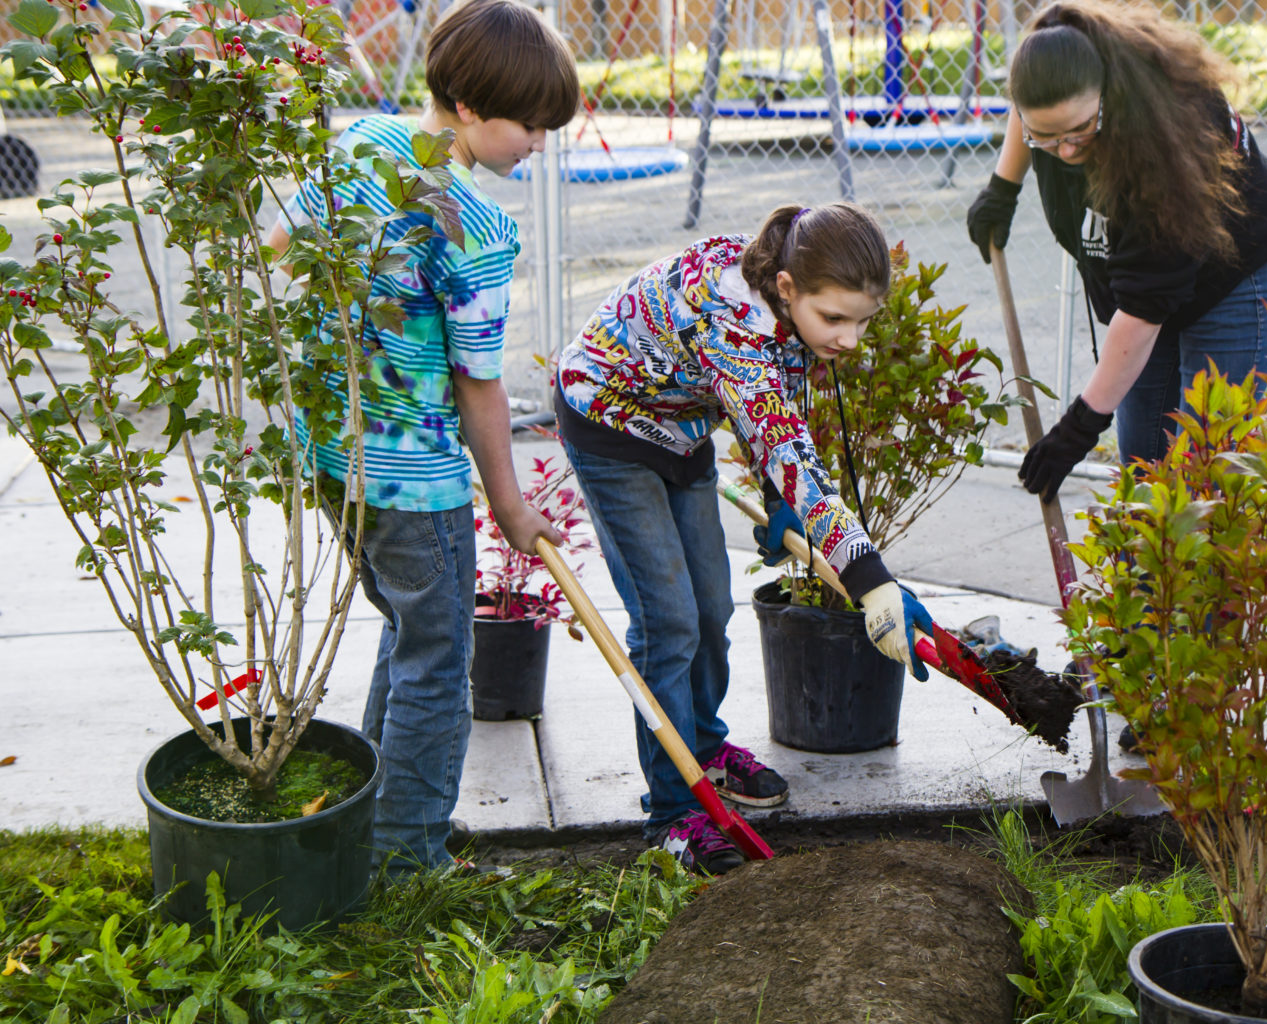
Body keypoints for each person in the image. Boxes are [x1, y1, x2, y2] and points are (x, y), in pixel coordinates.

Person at [268, 0, 581, 875]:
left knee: (411, 635)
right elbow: (480, 389)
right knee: (440, 663)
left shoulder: (359, 144)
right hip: (417, 483)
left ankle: (367, 821)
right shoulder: (477, 229)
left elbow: (282, 251)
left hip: (331, 456)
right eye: (531, 125)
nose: (539, 145)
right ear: (474, 109)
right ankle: (406, 859)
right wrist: (512, 506)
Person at [554, 202, 936, 874]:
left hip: (680, 425)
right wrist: (872, 582)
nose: (849, 338)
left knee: (711, 608)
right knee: (668, 622)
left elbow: (783, 390)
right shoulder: (728, 317)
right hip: (611, 422)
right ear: (788, 289)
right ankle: (673, 814)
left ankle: (703, 748)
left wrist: (775, 494)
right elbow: (779, 431)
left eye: (862, 320)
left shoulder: (788, 287)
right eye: (837, 319)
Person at [966, 0, 1267, 499]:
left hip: (1237, 273)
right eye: (1047, 137)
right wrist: (1003, 187)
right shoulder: (1056, 64)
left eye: (1079, 130)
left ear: (1106, 95)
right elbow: (1029, 107)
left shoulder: (1163, 147)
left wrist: (1079, 426)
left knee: (1203, 474)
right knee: (1144, 465)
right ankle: (1143, 581)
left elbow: (1144, 310)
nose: (1065, 151)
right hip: (1152, 284)